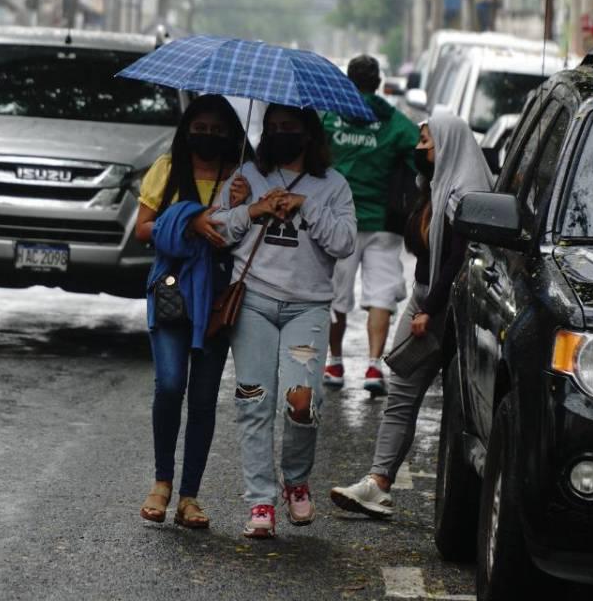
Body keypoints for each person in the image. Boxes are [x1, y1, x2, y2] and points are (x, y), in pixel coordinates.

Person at [329, 112, 491, 518]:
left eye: (425, 143)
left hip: (445, 307)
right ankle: (378, 483)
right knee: (402, 390)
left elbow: (456, 261)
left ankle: (448, 499)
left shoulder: (465, 196)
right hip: (424, 298)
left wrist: (430, 310)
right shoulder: (435, 187)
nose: (419, 150)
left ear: (447, 145)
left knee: (454, 401)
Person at [210, 104, 356, 538]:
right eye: (271, 127)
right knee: (253, 400)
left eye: (288, 127)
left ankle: (296, 480)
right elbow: (216, 228)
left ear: (308, 134)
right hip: (253, 302)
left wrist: (305, 206)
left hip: (307, 308)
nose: (278, 134)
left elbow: (345, 242)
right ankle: (260, 500)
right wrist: (250, 209)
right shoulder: (247, 177)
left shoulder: (333, 185)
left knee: (302, 401)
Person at [136, 94, 249, 529]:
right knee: (169, 385)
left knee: (203, 398)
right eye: (200, 128)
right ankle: (161, 483)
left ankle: (189, 497)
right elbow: (141, 228)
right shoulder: (167, 169)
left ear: (231, 135)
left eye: (218, 130)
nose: (208, 136)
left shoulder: (241, 176)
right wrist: (189, 221)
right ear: (186, 131)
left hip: (217, 299)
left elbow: (250, 233)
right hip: (171, 292)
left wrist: (242, 203)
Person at [323, 55, 421, 396]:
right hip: (384, 222)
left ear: (348, 82)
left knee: (335, 294)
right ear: (378, 83)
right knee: (381, 294)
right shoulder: (395, 122)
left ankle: (334, 363)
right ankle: (373, 367)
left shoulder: (330, 117)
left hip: (338, 221)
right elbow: (421, 155)